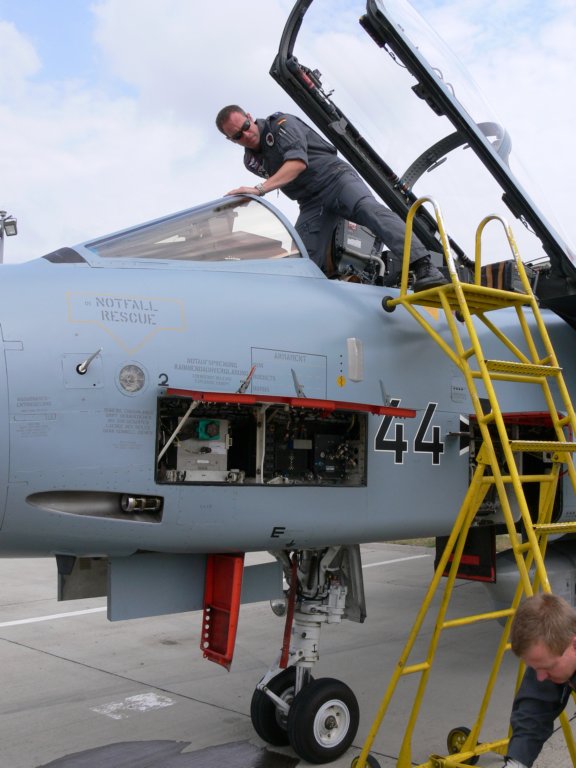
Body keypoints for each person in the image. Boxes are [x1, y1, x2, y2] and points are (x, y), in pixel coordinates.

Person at [215, 105, 447, 291]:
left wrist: (260, 189)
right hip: (311, 203)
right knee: (302, 259)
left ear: (249, 117)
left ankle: (424, 266)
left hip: (336, 180)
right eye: (238, 136)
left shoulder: (282, 125)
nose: (246, 135)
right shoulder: (251, 162)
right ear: (230, 140)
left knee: (369, 210)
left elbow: (296, 164)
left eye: (246, 127)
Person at [505, 592, 576, 768]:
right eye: (535, 668)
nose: (540, 677)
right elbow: (535, 708)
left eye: (548, 667)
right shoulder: (551, 654)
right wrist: (516, 764)